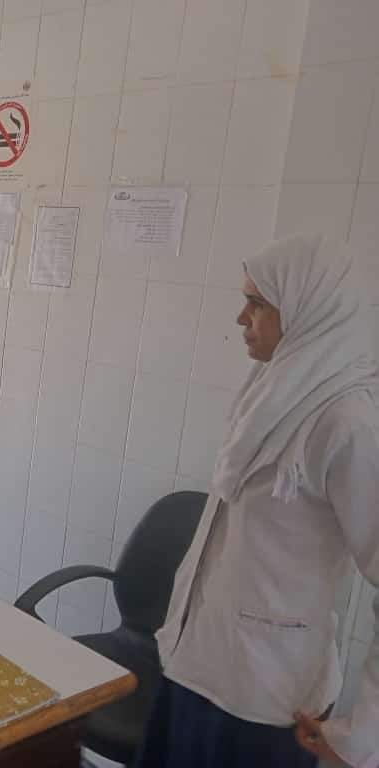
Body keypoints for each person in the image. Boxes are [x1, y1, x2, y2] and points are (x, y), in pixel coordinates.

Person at [136, 234, 379, 768]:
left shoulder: (350, 422)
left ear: (312, 310)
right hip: (196, 664)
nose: (241, 318)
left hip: (266, 697)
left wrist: (364, 739)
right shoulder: (270, 390)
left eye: (258, 303)